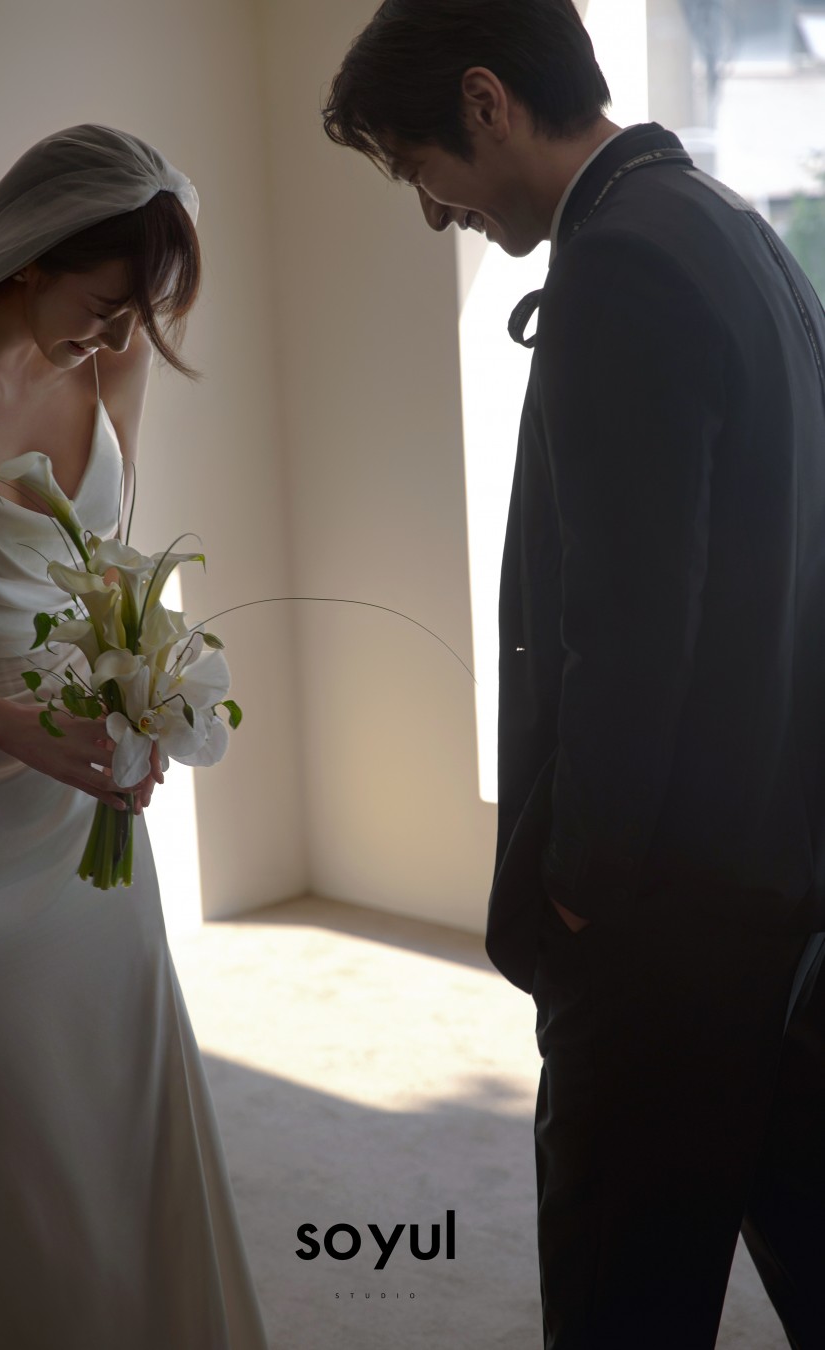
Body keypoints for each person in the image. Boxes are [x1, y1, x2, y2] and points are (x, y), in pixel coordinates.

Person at [323, 2, 825, 1346]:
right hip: (780, 879)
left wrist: (580, 883)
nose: (431, 211)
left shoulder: (621, 263)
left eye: (416, 165)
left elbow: (628, 624)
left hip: (664, 912)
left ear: (486, 101)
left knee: (620, 1296)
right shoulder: (728, 226)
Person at [0, 125, 268, 1349]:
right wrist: (9, 724)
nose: (120, 337)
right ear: (33, 255)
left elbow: (119, 572)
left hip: (84, 795)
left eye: (141, 316)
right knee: (3, 1136)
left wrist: (145, 698)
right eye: (107, 304)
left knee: (119, 1097)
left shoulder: (111, 369)